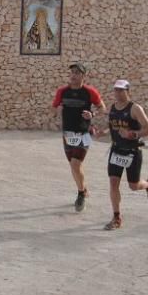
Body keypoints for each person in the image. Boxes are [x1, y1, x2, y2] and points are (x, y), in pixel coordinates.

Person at [99, 79, 148, 230]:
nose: (118, 93)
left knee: (134, 185)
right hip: (116, 150)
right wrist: (103, 132)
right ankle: (116, 217)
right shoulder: (113, 107)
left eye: (121, 90)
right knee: (113, 183)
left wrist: (132, 134)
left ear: (128, 91)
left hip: (132, 152)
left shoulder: (135, 108)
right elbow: (112, 124)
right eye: (116, 90)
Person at [51, 62, 106, 212]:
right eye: (72, 72)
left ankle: (80, 194)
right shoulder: (62, 91)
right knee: (74, 166)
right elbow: (54, 107)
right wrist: (58, 110)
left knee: (75, 164)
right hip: (68, 133)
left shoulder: (90, 92)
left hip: (84, 133)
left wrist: (92, 114)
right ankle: (84, 188)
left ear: (83, 75)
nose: (73, 75)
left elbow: (103, 108)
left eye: (77, 72)